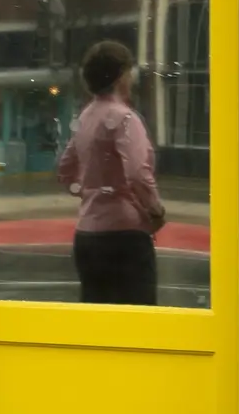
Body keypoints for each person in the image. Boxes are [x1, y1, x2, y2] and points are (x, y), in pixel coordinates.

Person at [56, 40, 165, 305]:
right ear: (121, 76)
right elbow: (138, 173)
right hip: (125, 235)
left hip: (87, 235)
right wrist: (154, 211)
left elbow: (65, 168)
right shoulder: (125, 119)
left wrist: (90, 192)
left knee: (97, 322)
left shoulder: (85, 117)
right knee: (138, 322)